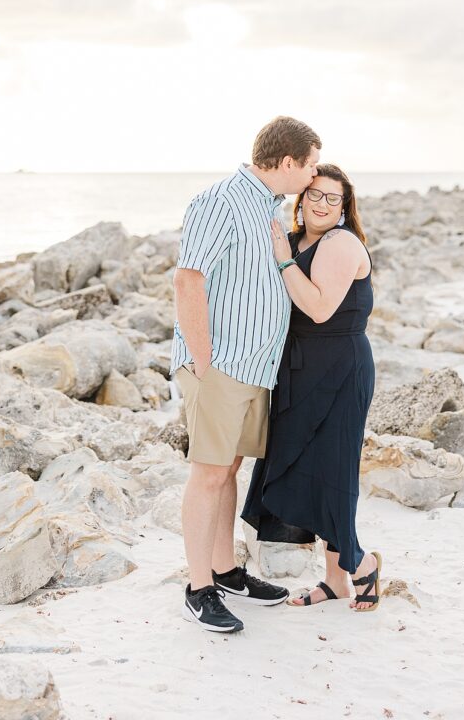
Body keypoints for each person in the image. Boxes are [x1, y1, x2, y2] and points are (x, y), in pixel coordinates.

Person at [171, 115, 322, 633]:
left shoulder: (268, 211)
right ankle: (198, 588)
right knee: (209, 472)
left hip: (254, 366)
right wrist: (203, 360)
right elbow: (188, 279)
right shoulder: (221, 201)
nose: (312, 176)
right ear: (286, 162)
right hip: (220, 365)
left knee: (229, 468)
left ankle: (227, 570)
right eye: (310, 166)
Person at [241, 164, 381, 612]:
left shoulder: (341, 243)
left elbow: (319, 309)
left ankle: (361, 563)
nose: (321, 204)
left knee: (334, 472)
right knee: (307, 468)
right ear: (301, 197)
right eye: (314, 194)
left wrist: (282, 257)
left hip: (340, 368)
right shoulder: (298, 239)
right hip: (297, 369)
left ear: (345, 206)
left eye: (332, 198)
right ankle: (335, 581)